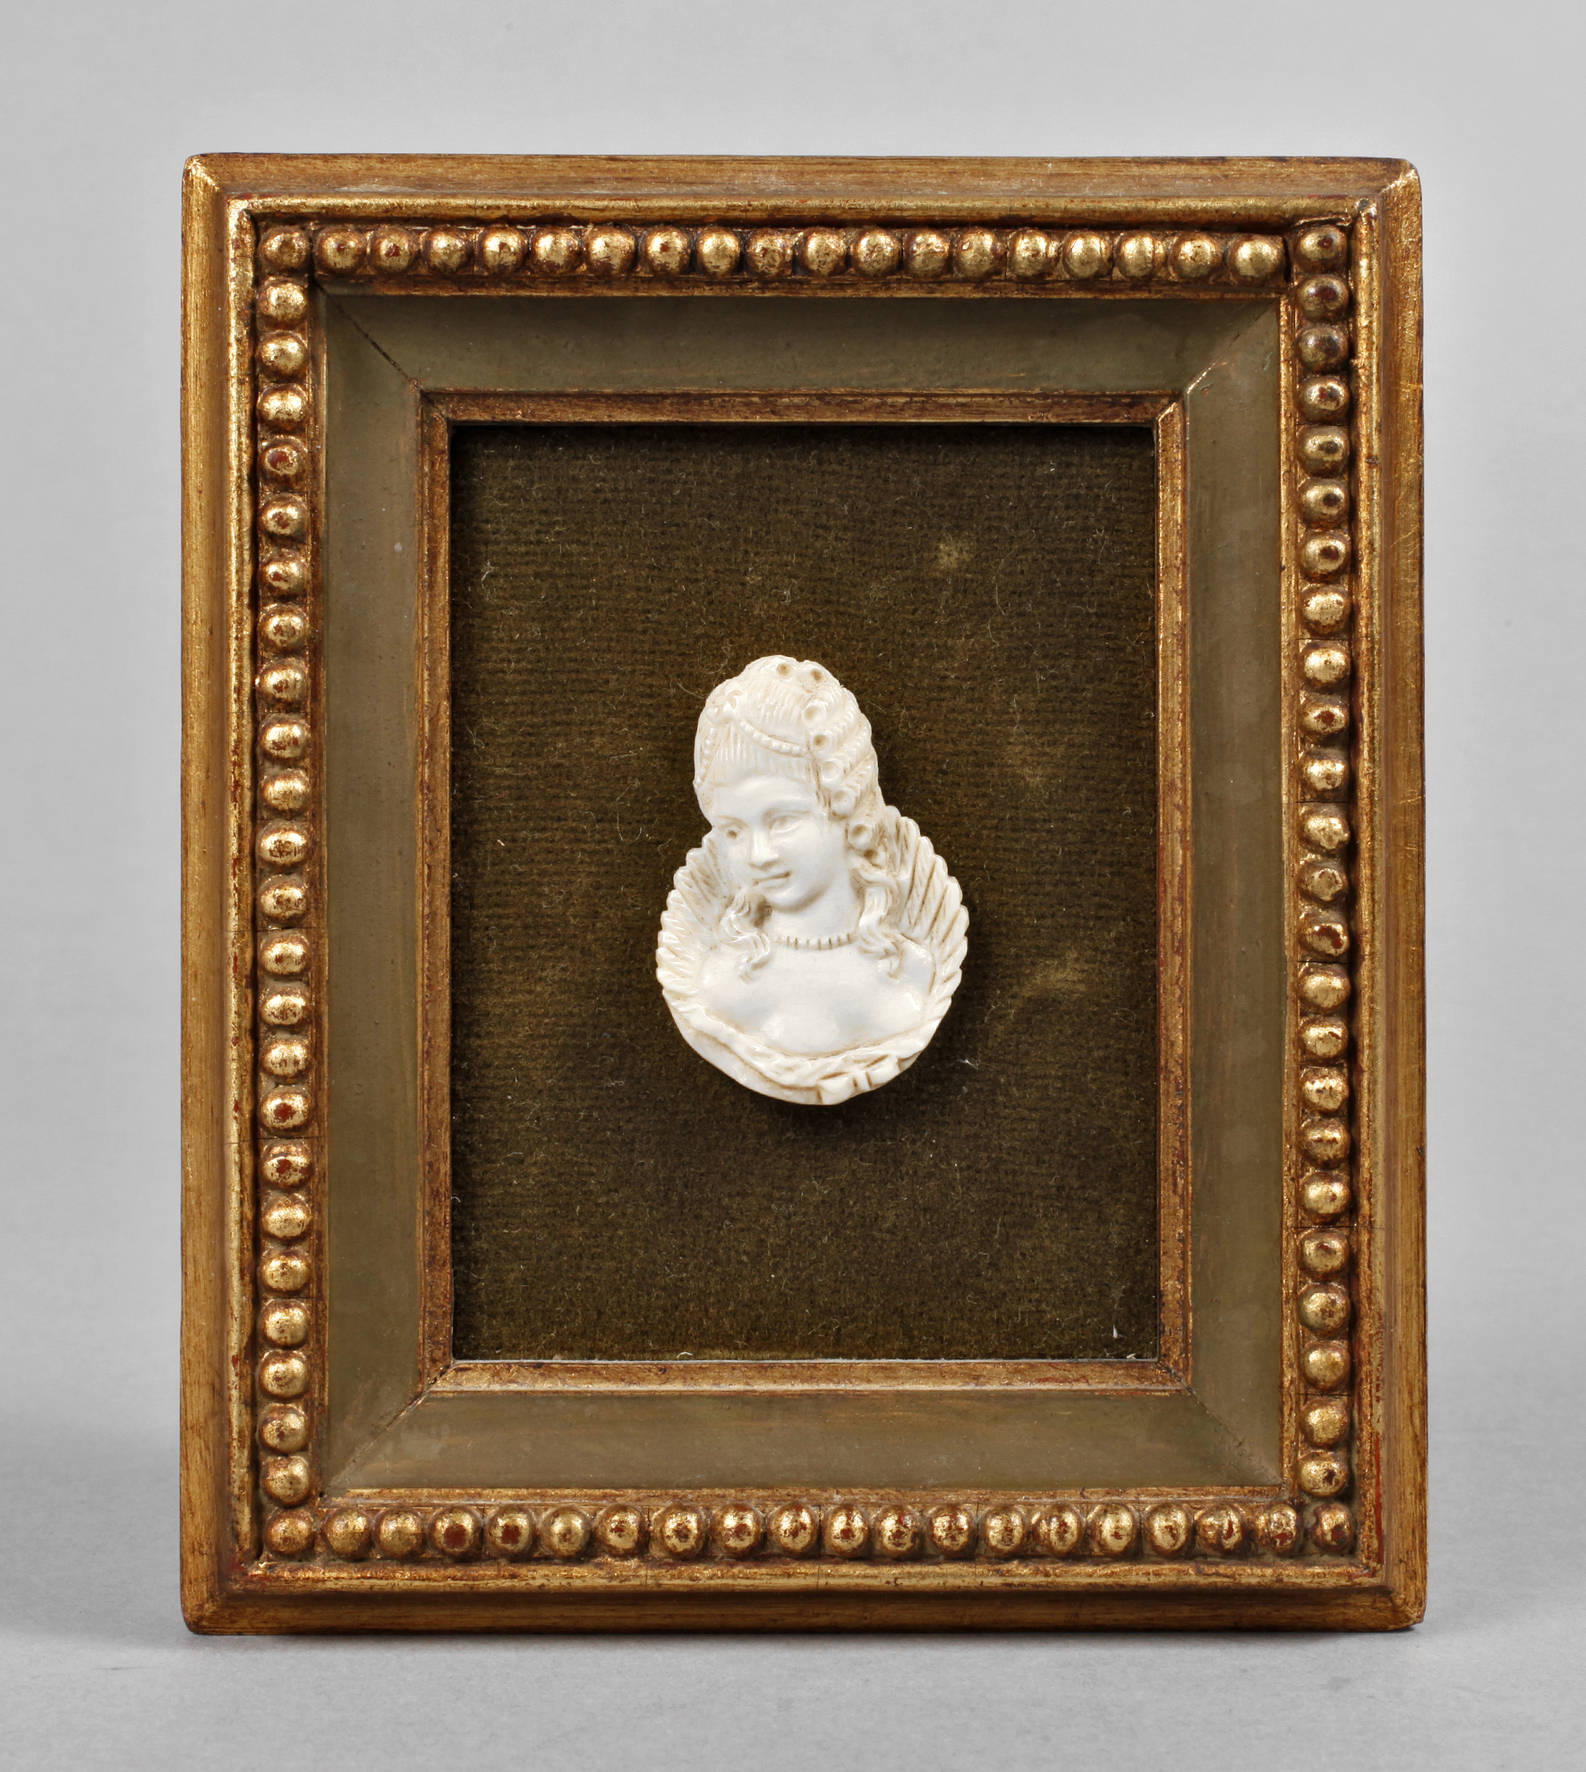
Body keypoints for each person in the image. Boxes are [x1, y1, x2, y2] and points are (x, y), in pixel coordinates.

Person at [657, 655, 966, 1105]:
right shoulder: (718, 985)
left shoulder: (914, 972)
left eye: (782, 820)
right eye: (734, 831)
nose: (758, 855)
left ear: (848, 813)